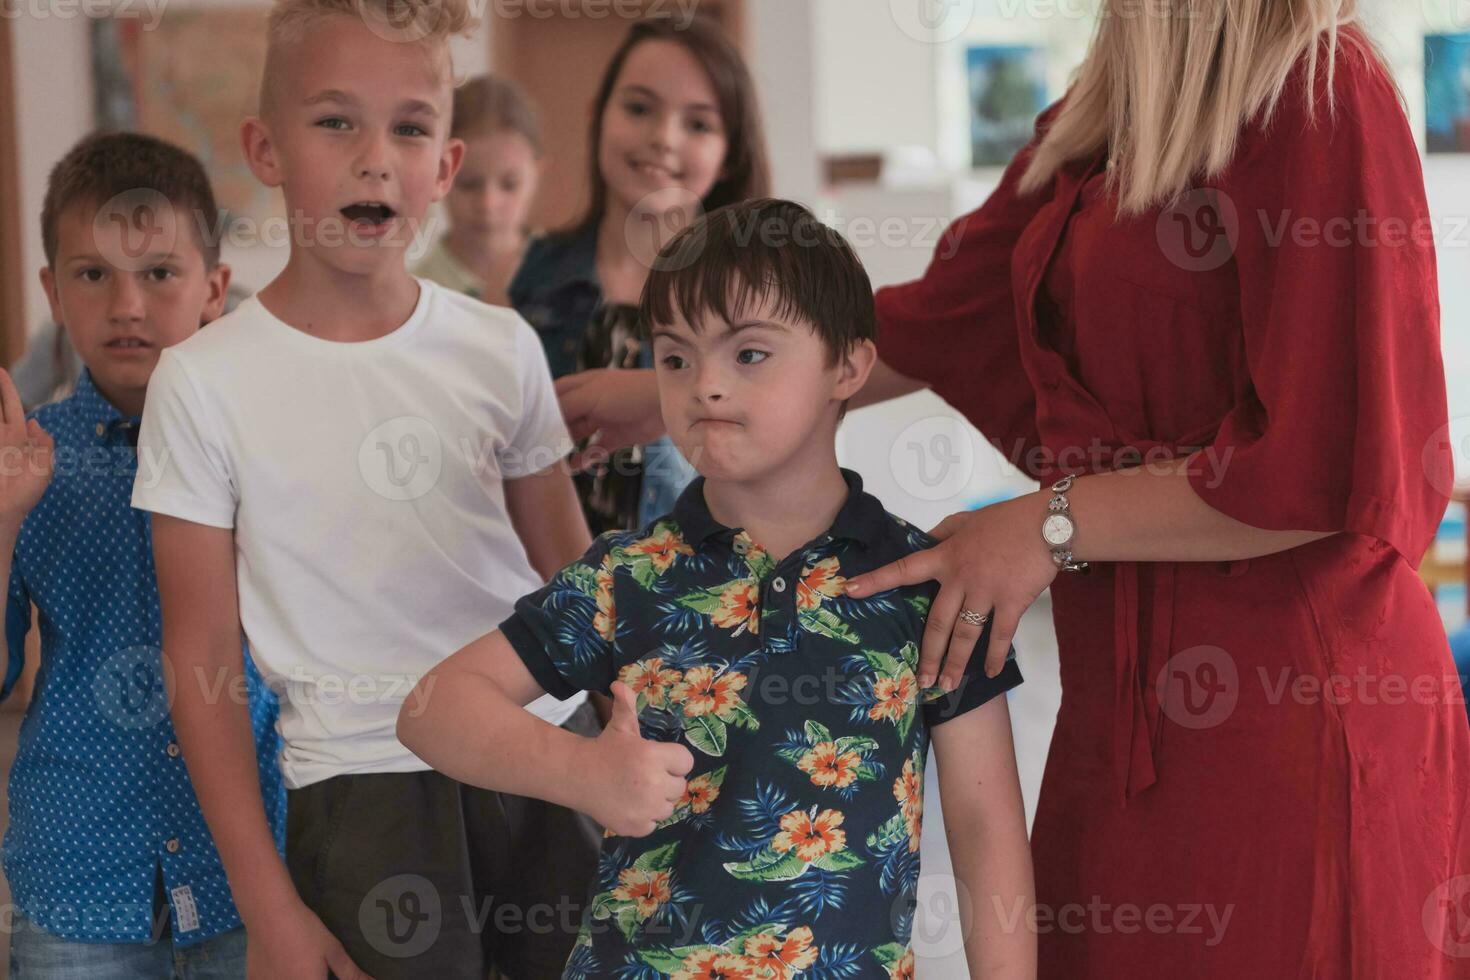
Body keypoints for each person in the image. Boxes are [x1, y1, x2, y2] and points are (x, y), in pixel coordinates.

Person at [546, 6, 1470, 976]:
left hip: (1293, 697)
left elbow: (1330, 461)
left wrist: (1049, 522)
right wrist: (677, 391)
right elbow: (939, 311)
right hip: (1117, 689)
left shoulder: (1321, 86)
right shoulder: (1102, 109)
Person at [398, 199, 1036, 979]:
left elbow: (987, 828)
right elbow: (434, 709)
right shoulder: (627, 575)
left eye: (750, 355)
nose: (704, 386)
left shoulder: (925, 585)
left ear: (849, 365)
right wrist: (581, 774)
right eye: (674, 358)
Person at [130, 1, 602, 975]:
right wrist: (269, 910)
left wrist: (638, 733)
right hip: (364, 799)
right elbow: (203, 657)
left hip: (549, 761)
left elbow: (583, 582)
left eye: (410, 126)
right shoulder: (202, 380)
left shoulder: (500, 347)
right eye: (336, 120)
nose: (375, 156)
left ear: (446, 166)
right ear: (265, 147)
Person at [0, 130, 284, 978]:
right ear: (54, 290)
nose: (127, 304)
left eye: (159, 273)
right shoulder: (27, 459)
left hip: (256, 866)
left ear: (213, 289)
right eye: (93, 275)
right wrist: (5, 520)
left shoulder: (273, 448)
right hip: (78, 880)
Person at [510, 15, 769, 536]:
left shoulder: (759, 301)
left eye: (698, 124)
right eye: (639, 108)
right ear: (596, 116)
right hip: (541, 597)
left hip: (698, 601)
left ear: (727, 155)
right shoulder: (528, 274)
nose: (663, 138)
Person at [413, 74, 543, 305]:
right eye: (469, 183)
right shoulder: (415, 296)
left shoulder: (569, 279)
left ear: (538, 173)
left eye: (509, 184)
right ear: (440, 173)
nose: (488, 204)